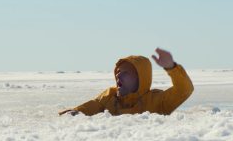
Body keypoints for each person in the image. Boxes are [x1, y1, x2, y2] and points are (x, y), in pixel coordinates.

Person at [59, 48, 194, 116]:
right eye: (117, 73)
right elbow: (93, 105)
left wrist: (172, 68)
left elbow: (184, 90)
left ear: (140, 79)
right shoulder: (109, 96)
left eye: (125, 73)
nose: (118, 76)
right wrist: (75, 112)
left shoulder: (157, 101)